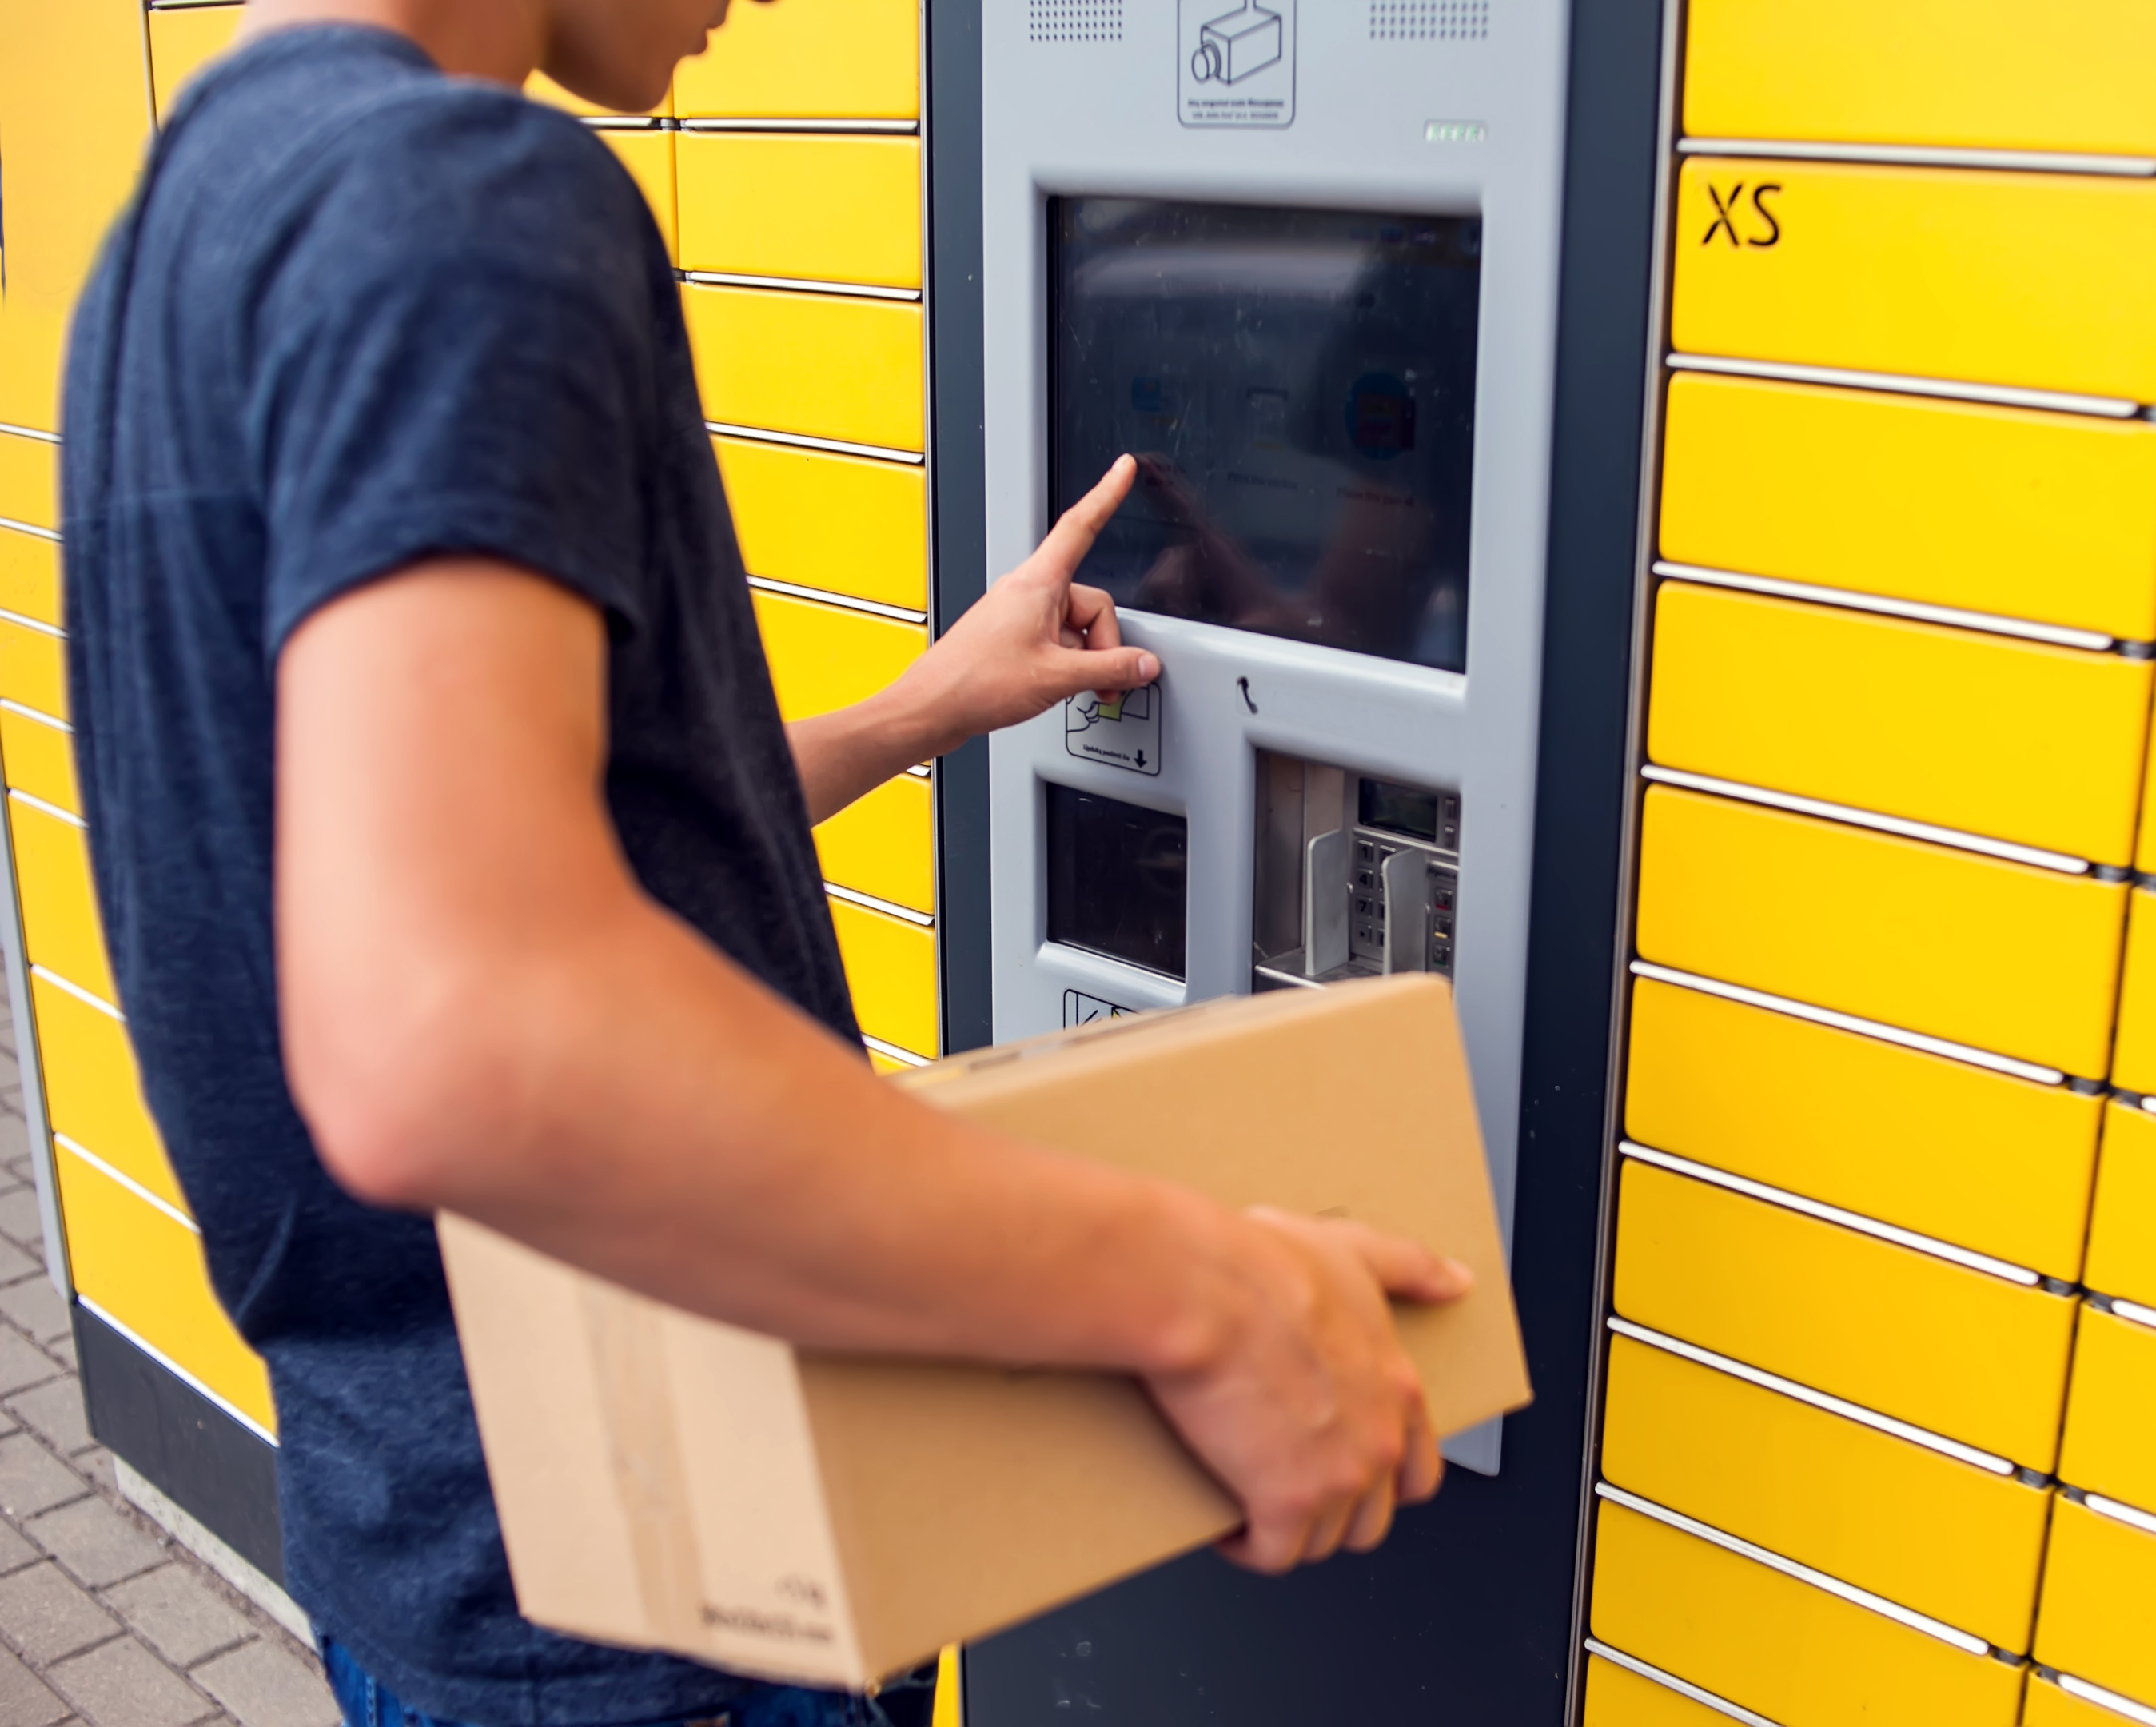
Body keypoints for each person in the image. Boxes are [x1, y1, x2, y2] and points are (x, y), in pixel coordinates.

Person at [55, 0, 1472, 1716]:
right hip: (667, 1602)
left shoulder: (183, 232)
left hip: (423, 1552)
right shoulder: (458, 201)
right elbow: (450, 1034)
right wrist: (1206, 1299)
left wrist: (926, 707)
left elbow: (472, 858)